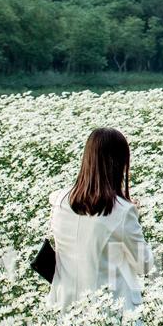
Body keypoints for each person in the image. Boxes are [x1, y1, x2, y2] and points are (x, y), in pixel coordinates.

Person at [48, 128, 154, 314]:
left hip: (64, 307)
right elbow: (144, 265)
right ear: (120, 164)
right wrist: (135, 216)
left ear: (87, 159)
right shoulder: (123, 211)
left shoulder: (59, 200)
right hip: (110, 311)